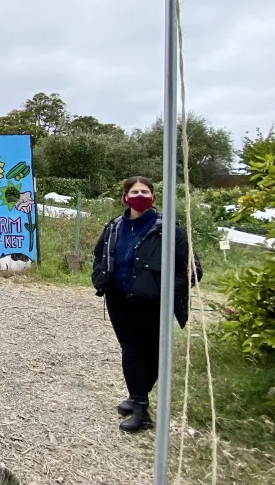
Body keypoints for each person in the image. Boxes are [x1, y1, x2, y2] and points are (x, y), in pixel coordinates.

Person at [91, 176, 196, 432]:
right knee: (131, 350)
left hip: (152, 305)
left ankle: (139, 393)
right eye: (134, 191)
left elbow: (191, 270)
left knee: (153, 353)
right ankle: (140, 405)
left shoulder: (169, 230)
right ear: (125, 197)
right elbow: (99, 254)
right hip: (118, 300)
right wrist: (99, 277)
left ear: (153, 197)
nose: (140, 195)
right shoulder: (114, 226)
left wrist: (163, 291)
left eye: (145, 191)